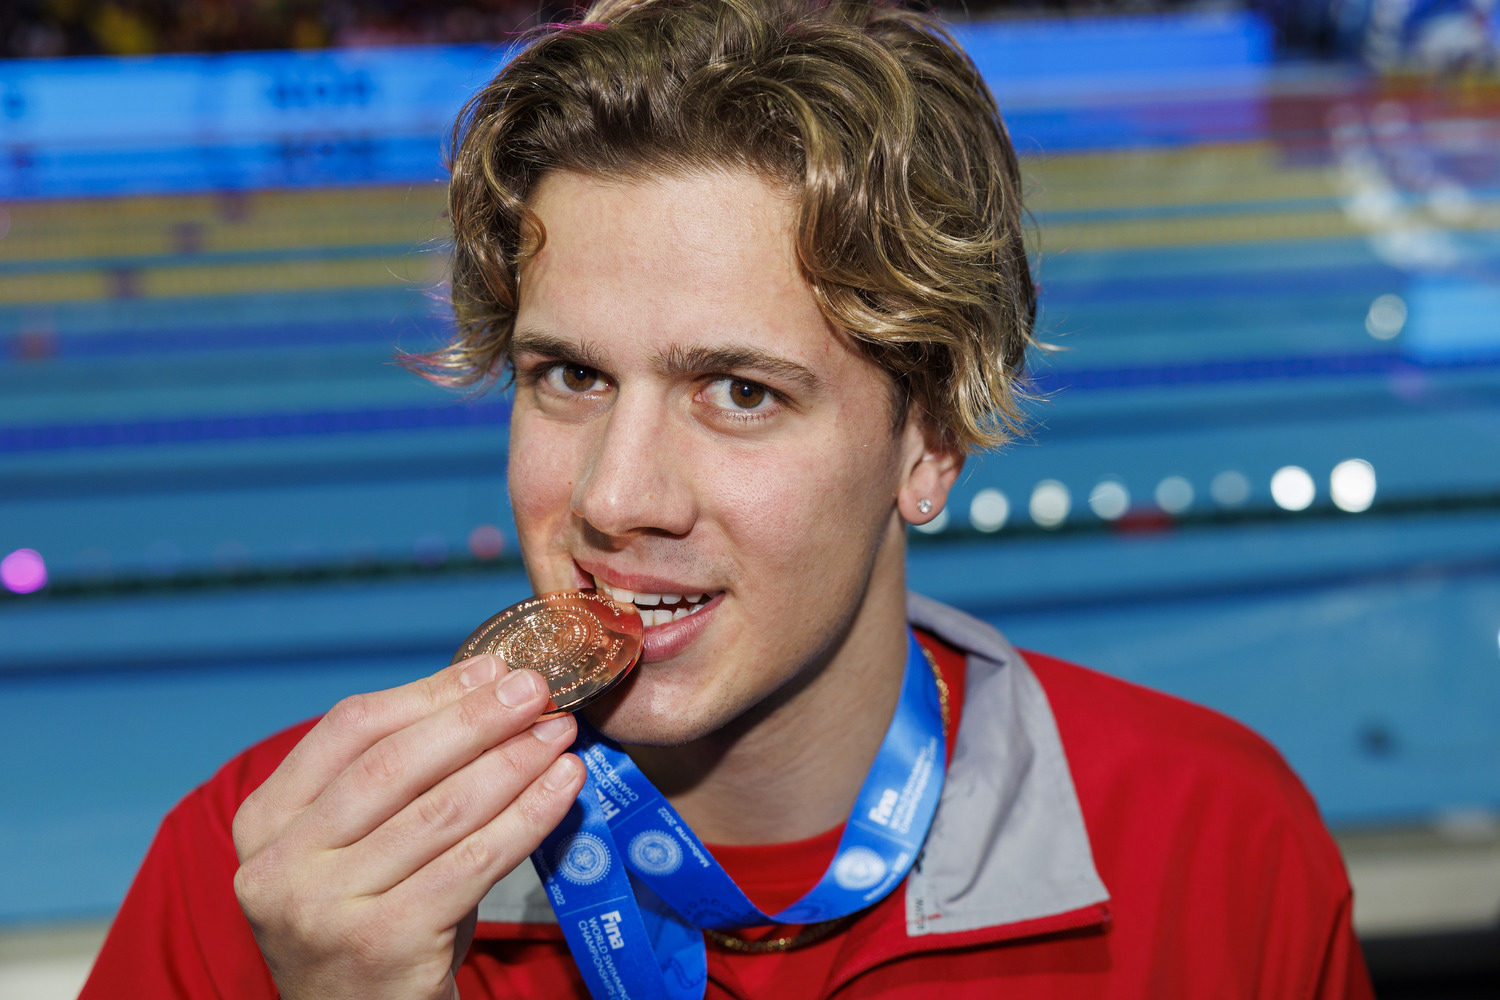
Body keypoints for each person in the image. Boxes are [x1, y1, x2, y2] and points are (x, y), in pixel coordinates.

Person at [80, 0, 1375, 996]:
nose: (614, 495)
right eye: (570, 375)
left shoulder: (1205, 850)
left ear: (928, 441)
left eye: (740, 392)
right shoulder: (281, 872)